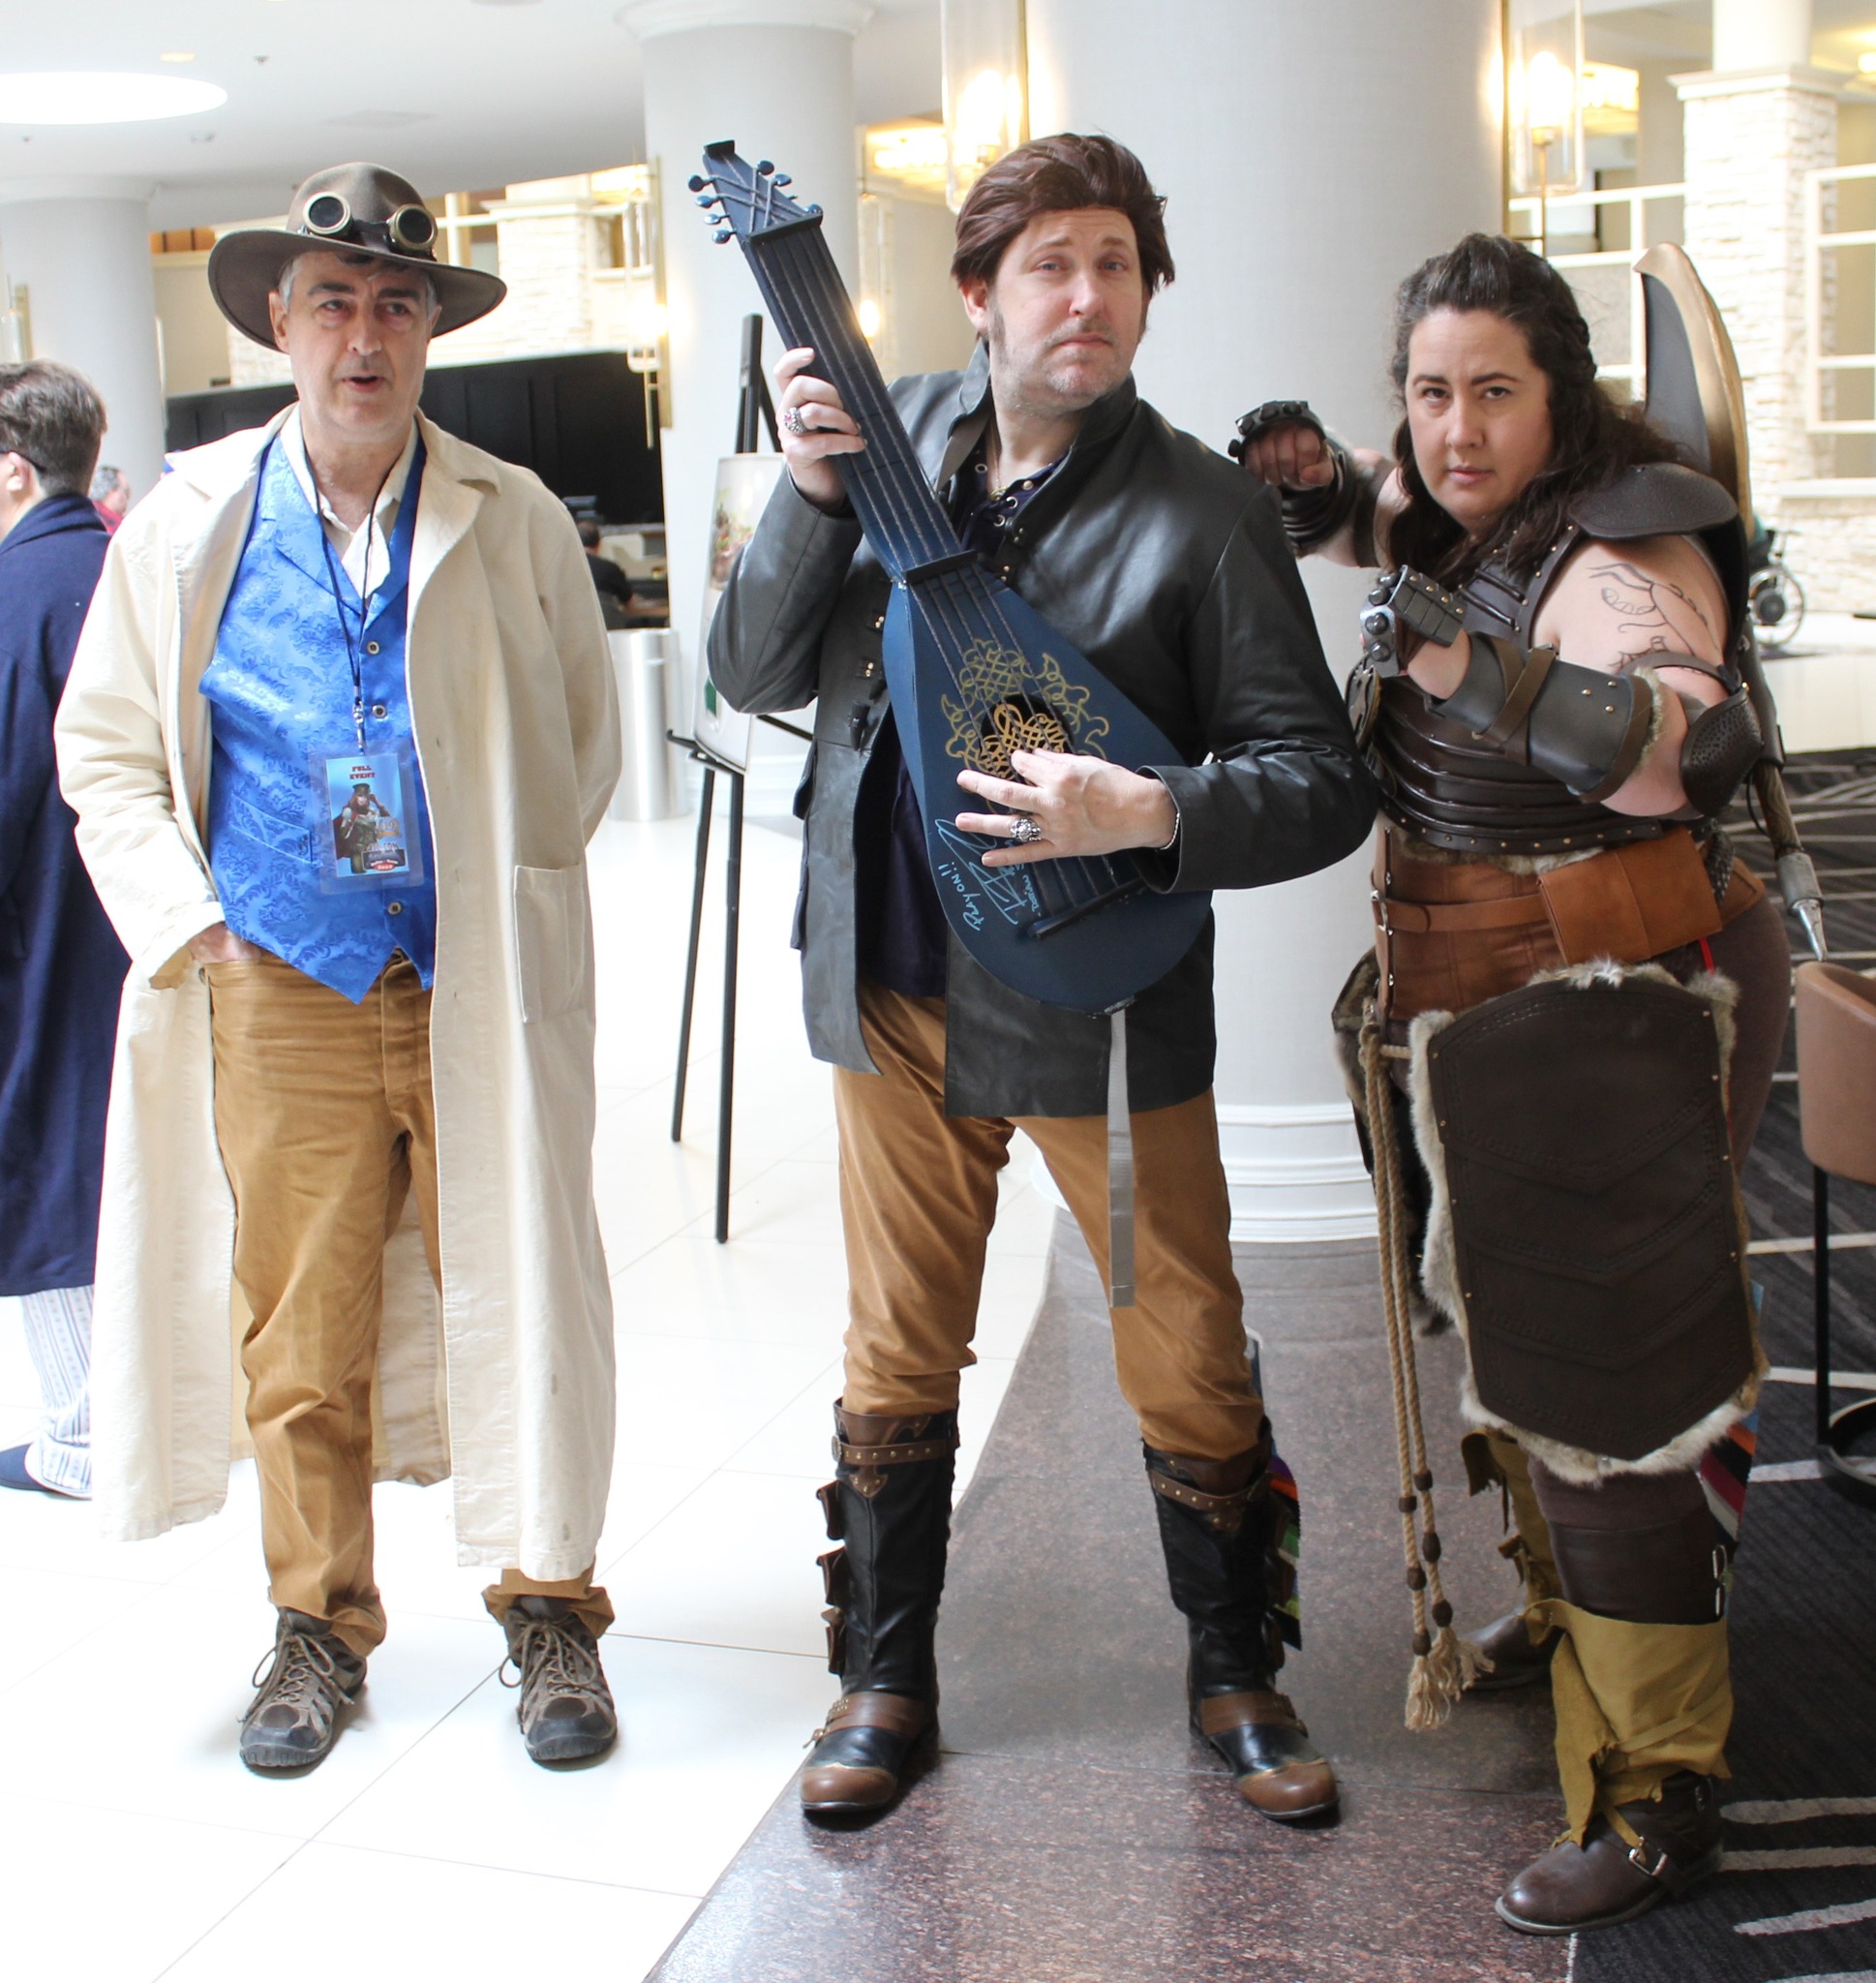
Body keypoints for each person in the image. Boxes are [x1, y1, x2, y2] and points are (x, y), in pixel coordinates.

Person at [710, 134, 1377, 1824]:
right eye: (1051, 265)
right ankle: (882, 1678)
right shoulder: (874, 441)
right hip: (890, 981)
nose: (1088, 297)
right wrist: (804, 494)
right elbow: (747, 665)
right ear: (977, 292)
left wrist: (1151, 809)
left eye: (1117, 265)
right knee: (895, 1339)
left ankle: (1236, 1671)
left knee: (1185, 1343)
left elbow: (1319, 781)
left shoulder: (1205, 513)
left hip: (1100, 1002)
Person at [1238, 232, 1791, 1934]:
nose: (1455, 428)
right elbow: (1387, 523)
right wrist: (1319, 485)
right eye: (1428, 393)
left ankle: (1661, 1788)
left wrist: (1465, 673)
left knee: (1615, 1399)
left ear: (1561, 396)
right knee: (1519, 1352)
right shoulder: (1466, 508)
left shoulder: (1624, 545)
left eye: (1492, 391)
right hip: (1476, 1008)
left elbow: (1673, 750)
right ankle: (1568, 1627)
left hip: (1604, 999)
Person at [56, 162, 623, 1775]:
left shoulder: (512, 516)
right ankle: (317, 1623)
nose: (363, 337)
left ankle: (550, 1607)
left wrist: (498, 891)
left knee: (526, 1284)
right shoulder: (186, 524)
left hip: (472, 977)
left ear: (428, 331)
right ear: (277, 325)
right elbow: (106, 750)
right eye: (332, 305)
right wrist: (195, 923)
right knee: (296, 1324)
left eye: (394, 305)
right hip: (278, 980)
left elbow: (579, 739)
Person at [0, 361, 128, 1500]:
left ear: (12, 471)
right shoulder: (125, 570)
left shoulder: (13, 593)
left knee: (48, 1155)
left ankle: (81, 1435)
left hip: (40, 928)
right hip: (145, 927)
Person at [577, 515, 635, 627]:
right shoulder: (611, 568)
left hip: (576, 631)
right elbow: (631, 605)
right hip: (609, 630)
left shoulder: (566, 570)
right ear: (599, 544)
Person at [89, 463, 130, 534]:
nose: (127, 499)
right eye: (126, 492)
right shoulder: (118, 527)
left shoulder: (85, 512)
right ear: (113, 491)